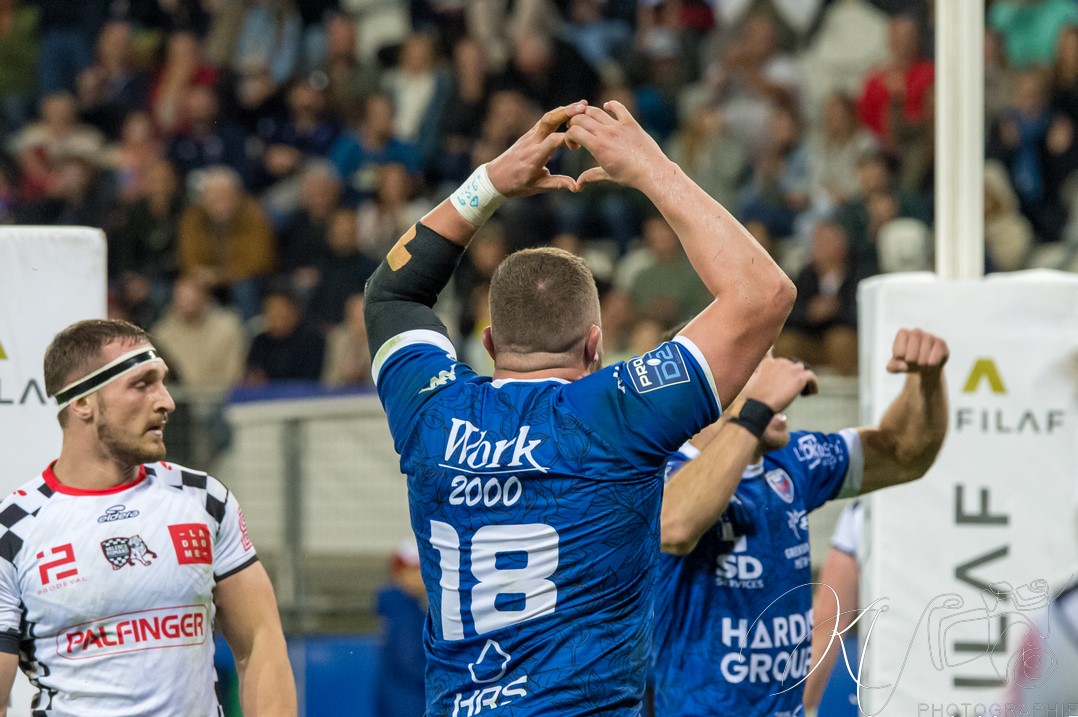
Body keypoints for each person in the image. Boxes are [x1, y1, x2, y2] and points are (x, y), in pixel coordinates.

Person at [364, 99, 794, 714]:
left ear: (488, 344)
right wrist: (652, 168)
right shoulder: (617, 413)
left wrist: (490, 182)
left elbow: (392, 292)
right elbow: (763, 292)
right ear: (595, 345)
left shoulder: (431, 412)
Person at [0, 319, 295, 715]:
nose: (167, 401)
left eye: (162, 382)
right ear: (82, 402)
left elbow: (261, 642)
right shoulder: (14, 530)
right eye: (142, 385)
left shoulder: (204, 500)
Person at [652, 327, 949, 716]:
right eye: (761, 363)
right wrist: (756, 410)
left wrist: (926, 382)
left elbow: (904, 453)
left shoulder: (793, 460)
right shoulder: (654, 470)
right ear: (710, 386)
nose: (784, 372)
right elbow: (674, 526)